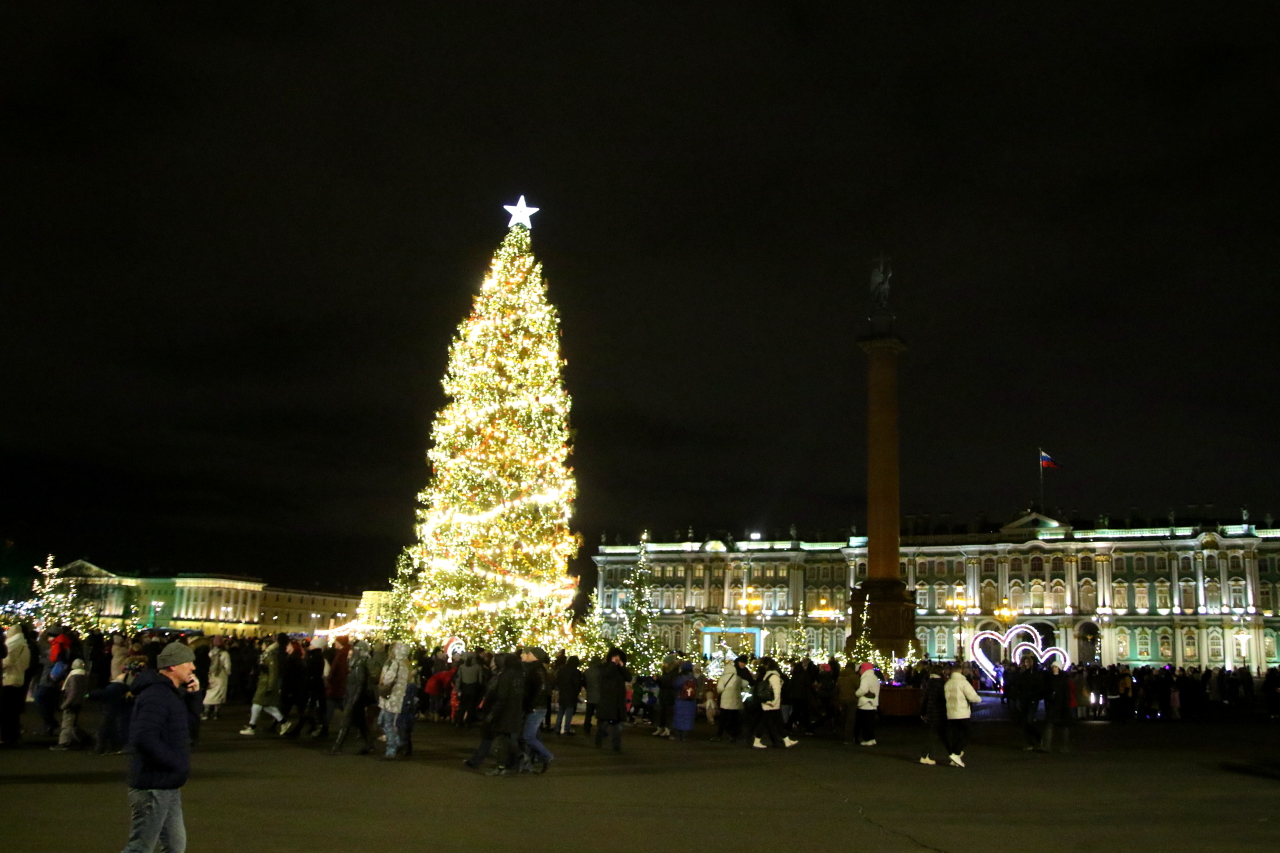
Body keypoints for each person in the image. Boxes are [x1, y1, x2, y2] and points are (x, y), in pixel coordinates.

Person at [121, 641, 203, 853]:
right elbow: (143, 737)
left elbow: (190, 728)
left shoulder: (170, 694)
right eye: (188, 663)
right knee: (140, 848)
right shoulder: (157, 695)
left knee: (175, 846)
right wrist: (176, 763)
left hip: (166, 783)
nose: (193, 668)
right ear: (173, 666)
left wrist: (194, 696)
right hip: (153, 784)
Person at [330, 640, 373, 755]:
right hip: (352, 697)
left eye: (353, 650)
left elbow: (360, 685)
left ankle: (337, 746)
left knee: (345, 722)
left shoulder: (360, 666)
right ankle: (369, 743)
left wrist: (353, 701)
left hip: (354, 699)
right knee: (361, 723)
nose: (350, 652)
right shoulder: (355, 665)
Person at [240, 636, 284, 735]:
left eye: (263, 644)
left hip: (266, 685)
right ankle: (283, 722)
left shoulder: (270, 657)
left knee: (256, 704)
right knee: (266, 706)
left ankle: (252, 727)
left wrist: (270, 687)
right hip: (264, 683)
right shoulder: (266, 656)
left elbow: (272, 674)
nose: (261, 646)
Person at [752, 657, 797, 749]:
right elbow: (777, 691)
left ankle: (786, 740)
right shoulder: (775, 677)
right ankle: (757, 740)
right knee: (768, 722)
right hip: (772, 704)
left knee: (775, 721)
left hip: (767, 702)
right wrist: (774, 701)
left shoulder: (767, 675)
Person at [376, 642, 412, 760]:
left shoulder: (395, 664)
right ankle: (397, 742)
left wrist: (382, 679)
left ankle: (391, 749)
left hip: (391, 698)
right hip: (397, 698)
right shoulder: (404, 666)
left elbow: (386, 680)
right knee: (386, 722)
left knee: (387, 723)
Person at [593, 648, 631, 752]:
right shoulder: (605, 667)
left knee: (617, 726)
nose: (617, 659)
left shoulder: (621, 669)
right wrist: (612, 664)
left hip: (618, 701)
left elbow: (628, 677)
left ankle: (616, 745)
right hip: (608, 700)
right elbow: (604, 674)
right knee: (604, 724)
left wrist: (622, 667)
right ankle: (599, 739)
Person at [944, 663, 981, 768]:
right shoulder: (962, 682)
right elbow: (972, 695)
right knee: (967, 732)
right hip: (961, 712)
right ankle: (956, 753)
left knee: (955, 734)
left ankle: (954, 757)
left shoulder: (948, 683)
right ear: (960, 671)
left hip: (951, 712)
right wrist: (978, 699)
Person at [51, 657, 90, 750]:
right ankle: (82, 739)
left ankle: (63, 743)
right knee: (73, 723)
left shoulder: (73, 677)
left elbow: (72, 693)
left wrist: (65, 704)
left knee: (67, 724)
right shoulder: (85, 676)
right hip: (79, 702)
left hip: (71, 703)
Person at [2, 623, 31, 746]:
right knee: (13, 712)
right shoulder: (25, 645)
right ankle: (14, 736)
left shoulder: (12, 645)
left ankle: (6, 736)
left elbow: (6, 662)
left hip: (8, 679)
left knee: (5, 711)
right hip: (19, 678)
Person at [917, 664, 948, 765]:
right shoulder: (940, 683)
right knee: (934, 734)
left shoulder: (929, 682)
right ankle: (925, 755)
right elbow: (942, 699)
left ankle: (927, 755)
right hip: (938, 711)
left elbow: (925, 698)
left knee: (933, 733)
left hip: (930, 711)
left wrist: (922, 711)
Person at [1041, 662, 1073, 753]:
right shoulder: (1049, 678)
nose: (1054, 668)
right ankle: (1047, 746)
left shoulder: (1063, 679)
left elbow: (1067, 693)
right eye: (1053, 667)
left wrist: (1066, 705)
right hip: (1052, 705)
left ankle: (1065, 746)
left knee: (1064, 727)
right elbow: (1045, 690)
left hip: (1062, 705)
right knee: (1049, 725)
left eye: (1056, 667)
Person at [713, 655, 746, 742]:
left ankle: (719, 735)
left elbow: (720, 689)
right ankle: (734, 735)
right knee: (734, 720)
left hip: (725, 702)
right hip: (736, 701)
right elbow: (745, 684)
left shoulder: (723, 678)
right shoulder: (738, 678)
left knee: (723, 719)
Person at [202, 638, 231, 721]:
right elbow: (228, 667)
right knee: (219, 695)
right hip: (221, 676)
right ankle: (216, 713)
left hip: (211, 675)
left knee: (209, 694)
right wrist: (227, 673)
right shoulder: (225, 654)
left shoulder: (210, 653)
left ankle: (206, 712)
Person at [553, 654, 583, 735]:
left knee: (561, 712)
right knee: (569, 713)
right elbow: (577, 684)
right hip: (571, 694)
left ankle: (557, 728)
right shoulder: (576, 672)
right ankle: (566, 729)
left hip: (563, 693)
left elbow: (558, 681)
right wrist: (576, 693)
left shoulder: (562, 670)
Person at [853, 661, 881, 746]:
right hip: (873, 703)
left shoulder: (865, 678)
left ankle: (867, 739)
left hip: (865, 703)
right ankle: (872, 738)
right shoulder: (874, 677)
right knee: (870, 723)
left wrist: (856, 694)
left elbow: (863, 690)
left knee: (864, 723)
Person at [671, 661, 698, 741]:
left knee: (679, 716)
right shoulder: (694, 678)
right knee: (688, 718)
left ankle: (678, 735)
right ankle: (685, 736)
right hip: (691, 701)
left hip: (681, 700)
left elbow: (675, 685)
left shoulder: (680, 678)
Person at [582, 656, 604, 735]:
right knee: (600, 714)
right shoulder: (600, 671)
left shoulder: (587, 671)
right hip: (599, 695)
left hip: (590, 694)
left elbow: (584, 682)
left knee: (589, 714)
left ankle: (586, 727)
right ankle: (601, 730)